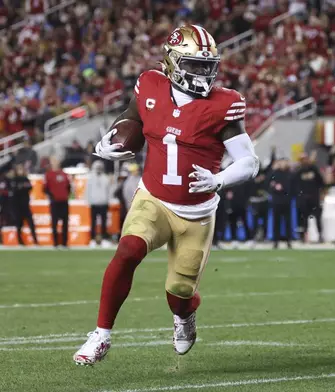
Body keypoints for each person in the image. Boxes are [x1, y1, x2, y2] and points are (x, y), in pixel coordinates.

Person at [73, 25, 259, 366]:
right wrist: (114, 140)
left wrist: (219, 179)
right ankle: (101, 334)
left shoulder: (223, 104)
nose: (205, 73)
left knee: (180, 294)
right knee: (128, 249)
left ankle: (185, 318)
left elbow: (249, 161)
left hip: (197, 213)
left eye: (209, 65)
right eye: (196, 65)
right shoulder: (150, 84)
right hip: (154, 198)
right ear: (173, 62)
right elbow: (132, 118)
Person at [292, 153, 324, 243]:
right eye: (302, 160)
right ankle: (304, 237)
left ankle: (320, 235)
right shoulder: (298, 171)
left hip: (314, 198)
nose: (304, 161)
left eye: (305, 159)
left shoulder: (313, 169)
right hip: (303, 199)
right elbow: (294, 184)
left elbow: (321, 182)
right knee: (303, 220)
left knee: (317, 218)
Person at [44, 158, 71, 248]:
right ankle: (55, 243)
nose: (55, 162)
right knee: (54, 223)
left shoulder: (64, 174)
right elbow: (45, 188)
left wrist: (66, 195)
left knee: (65, 223)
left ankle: (64, 243)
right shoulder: (48, 175)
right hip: (55, 202)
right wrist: (52, 197)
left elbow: (68, 186)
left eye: (56, 161)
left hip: (64, 202)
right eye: (54, 161)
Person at [86, 161, 113, 247]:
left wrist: (108, 200)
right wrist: (88, 201)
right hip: (94, 204)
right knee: (93, 223)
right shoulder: (90, 179)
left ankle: (104, 239)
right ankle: (93, 239)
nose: (98, 170)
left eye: (100, 168)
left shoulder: (105, 178)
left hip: (103, 203)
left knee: (104, 223)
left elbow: (109, 191)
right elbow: (87, 191)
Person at [267, 157, 292, 249]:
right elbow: (268, 183)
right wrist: (274, 187)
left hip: (286, 200)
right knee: (276, 222)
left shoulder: (289, 173)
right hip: (276, 201)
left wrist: (282, 187)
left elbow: (290, 187)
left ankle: (288, 241)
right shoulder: (274, 173)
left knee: (287, 222)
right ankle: (275, 241)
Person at [11, 164, 38, 246]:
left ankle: (35, 241)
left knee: (31, 223)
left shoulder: (25, 179)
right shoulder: (14, 180)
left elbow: (29, 188)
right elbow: (15, 191)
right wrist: (22, 188)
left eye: (21, 169)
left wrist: (21, 188)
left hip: (26, 205)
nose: (20, 171)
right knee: (19, 224)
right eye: (19, 169)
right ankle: (20, 241)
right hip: (18, 206)